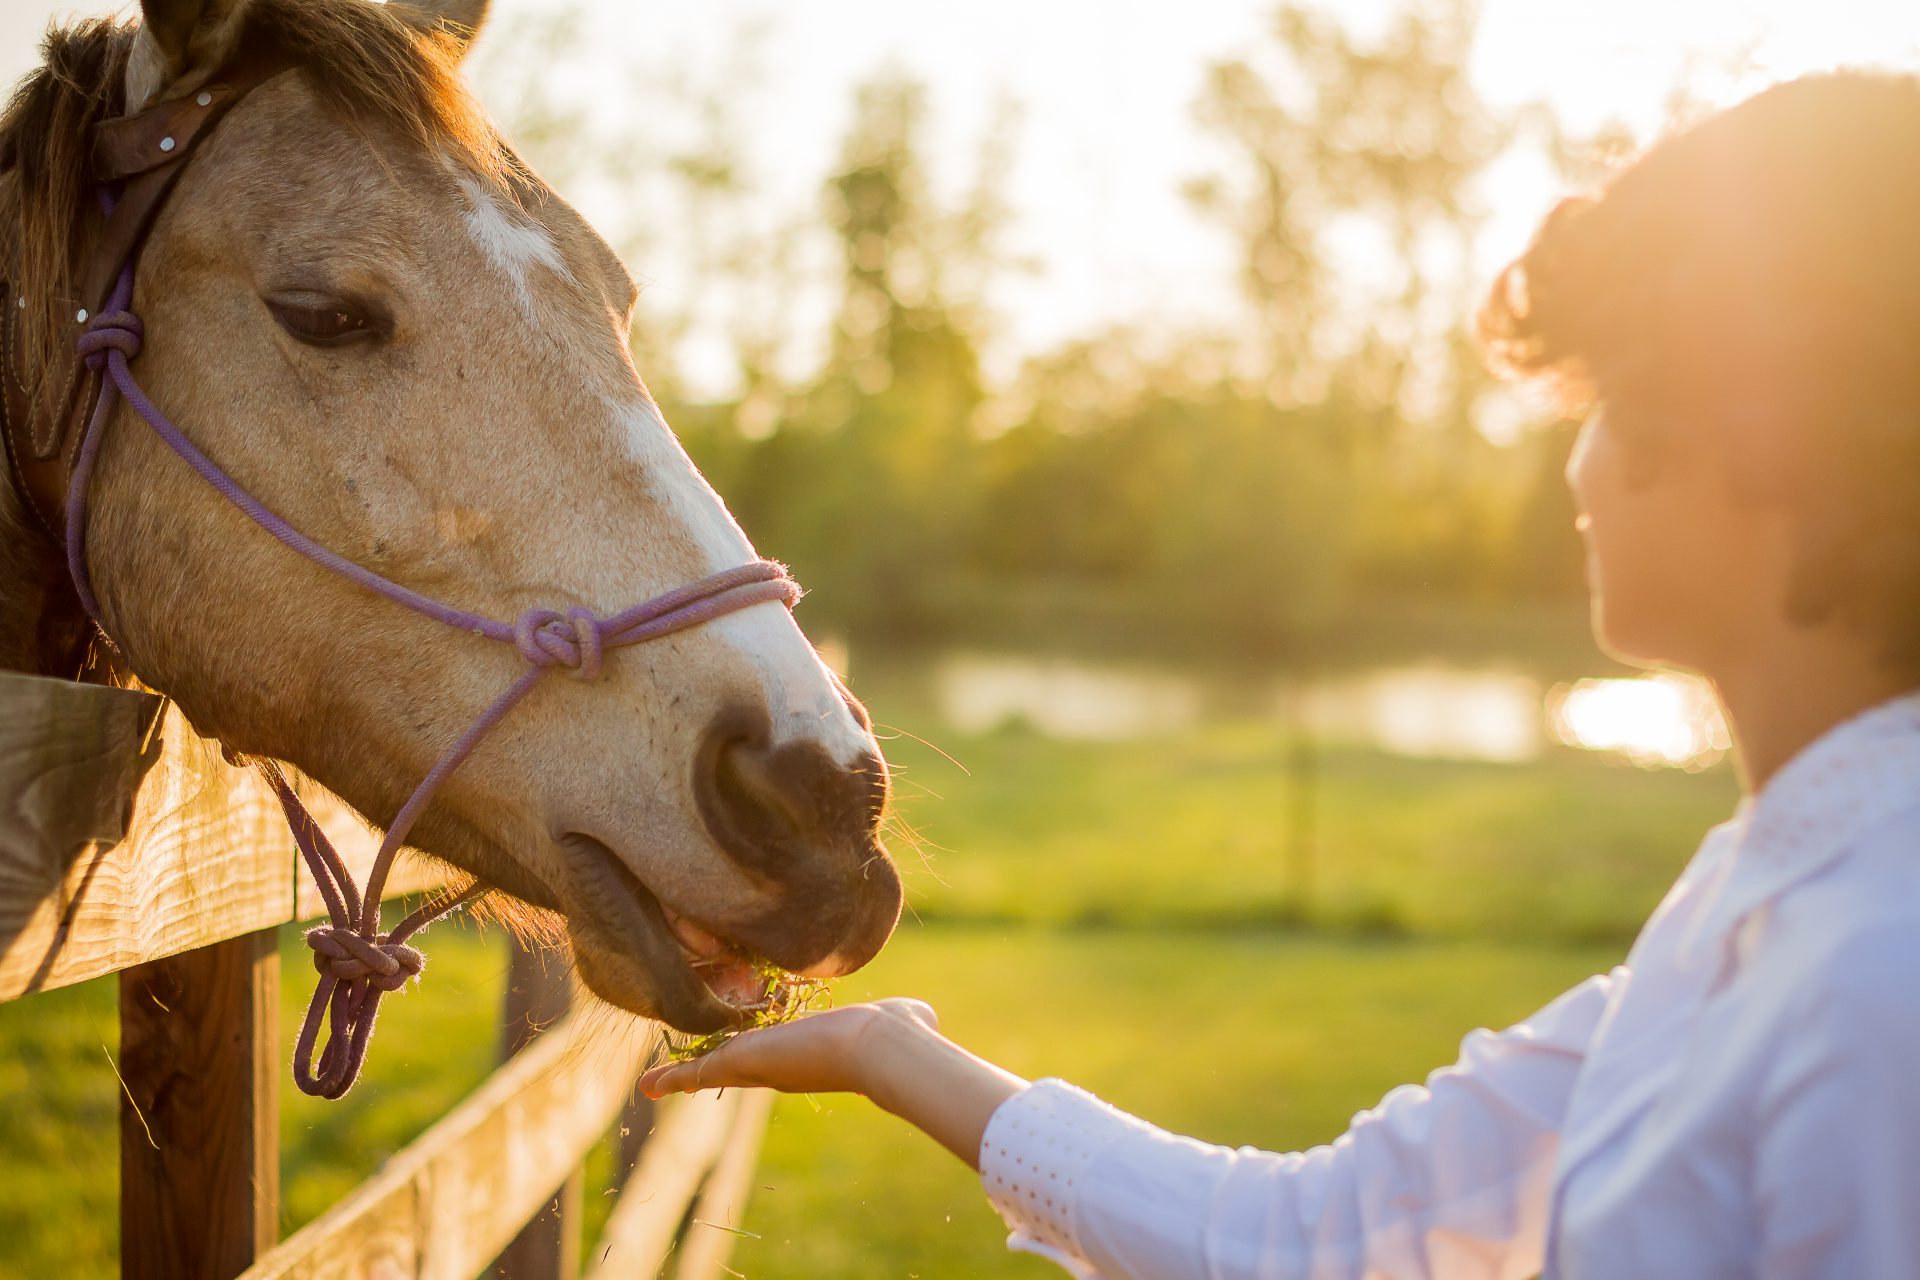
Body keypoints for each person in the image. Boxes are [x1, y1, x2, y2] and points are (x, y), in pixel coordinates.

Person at [639, 71, 1920, 1278]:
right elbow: (1317, 1234)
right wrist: (890, 1053)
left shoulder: (1875, 968)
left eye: (1612, 396)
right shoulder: (1758, 901)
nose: (1578, 467)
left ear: (1762, 431)